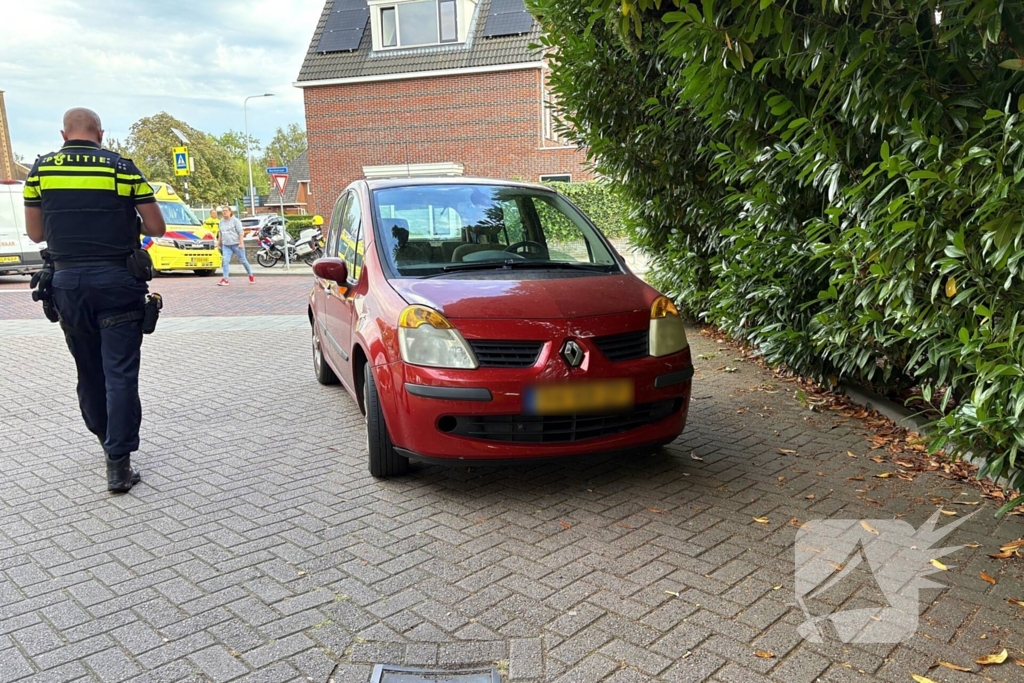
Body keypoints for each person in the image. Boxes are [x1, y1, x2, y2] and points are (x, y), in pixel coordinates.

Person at [23, 107, 167, 493]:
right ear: (100, 134)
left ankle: (106, 438)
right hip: (118, 281)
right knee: (119, 373)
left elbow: (35, 234)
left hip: (68, 284)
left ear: (63, 134)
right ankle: (118, 464)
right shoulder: (120, 168)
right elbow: (157, 226)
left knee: (89, 371)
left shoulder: (41, 171)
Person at [217, 206, 254, 285]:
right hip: (226, 245)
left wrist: (241, 243)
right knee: (225, 261)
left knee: (243, 260)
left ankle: (250, 274)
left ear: (230, 212)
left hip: (236, 244)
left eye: (226, 210)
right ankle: (225, 279)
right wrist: (218, 243)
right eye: (223, 211)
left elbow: (241, 232)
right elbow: (220, 233)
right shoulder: (221, 222)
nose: (224, 212)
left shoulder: (235, 221)